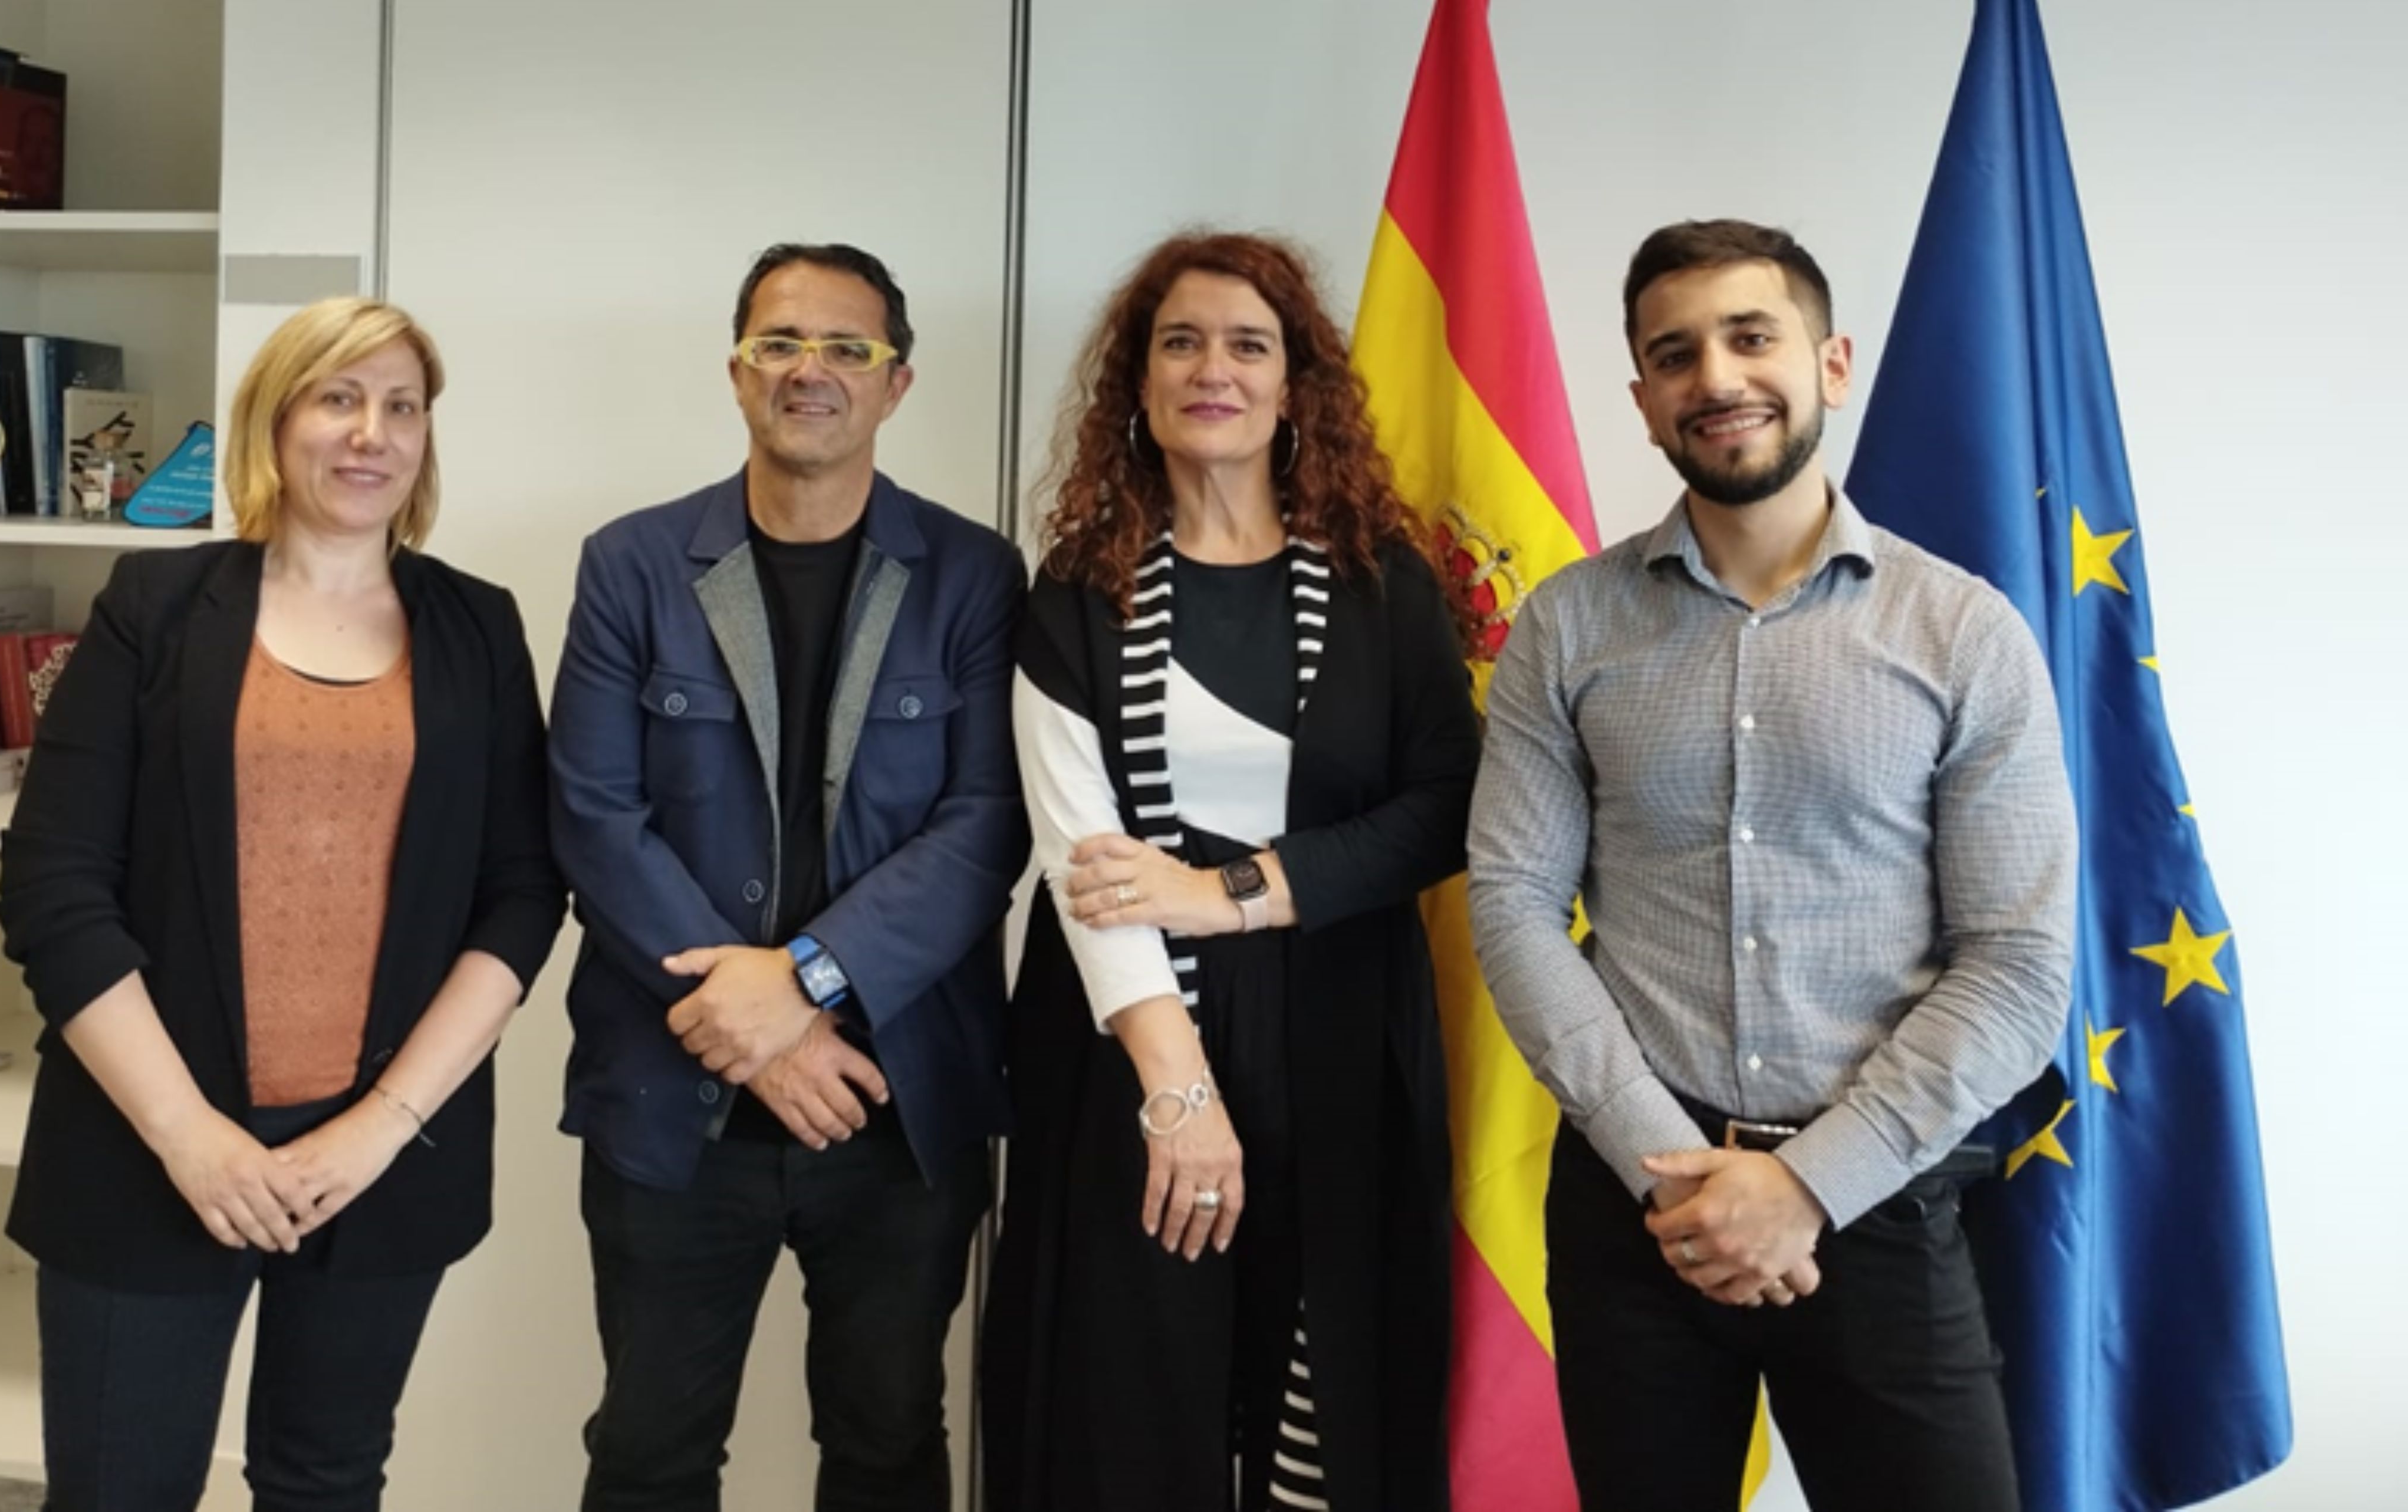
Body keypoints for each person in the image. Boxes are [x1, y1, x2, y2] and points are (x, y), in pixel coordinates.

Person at [1467, 219, 2078, 1511]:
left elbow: (2020, 966)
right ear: (1641, 400)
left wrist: (1805, 1185)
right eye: (1675, 353)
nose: (1717, 377)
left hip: (1885, 1197)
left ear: (1832, 361)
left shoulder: (1964, 629)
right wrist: (1667, 1171)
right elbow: (1515, 902)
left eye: (1753, 336)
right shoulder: (1566, 625)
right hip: (1641, 1212)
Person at [0, 296, 565, 1512]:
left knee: (326, 1480)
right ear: (277, 417)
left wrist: (378, 1127)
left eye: (402, 406)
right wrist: (189, 1135)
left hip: (380, 1163)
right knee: (117, 1492)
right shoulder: (153, 610)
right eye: (338, 397)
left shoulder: (479, 626)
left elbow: (521, 895)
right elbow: (52, 887)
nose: (372, 433)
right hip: (147, 1152)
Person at [981, 231, 1479, 1512]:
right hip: (1126, 1044)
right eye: (1181, 341)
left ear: (1295, 382)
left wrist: (1232, 890)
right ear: (1136, 383)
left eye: (1249, 344)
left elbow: (1445, 810)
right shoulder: (1077, 592)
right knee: (1129, 1395)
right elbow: (1086, 867)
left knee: (1329, 1393)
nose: (1215, 369)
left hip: (1342, 1034)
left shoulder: (1385, 584)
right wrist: (1177, 1094)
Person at [550, 243, 1027, 1512]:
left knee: (885, 1442)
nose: (810, 369)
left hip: (900, 1096)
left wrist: (810, 978)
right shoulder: (634, 565)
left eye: (846, 348)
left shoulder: (976, 575)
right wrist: (758, 1035)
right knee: (650, 1446)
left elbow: (988, 825)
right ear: (737, 370)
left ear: (897, 383)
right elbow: (595, 816)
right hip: (674, 1089)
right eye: (780, 343)